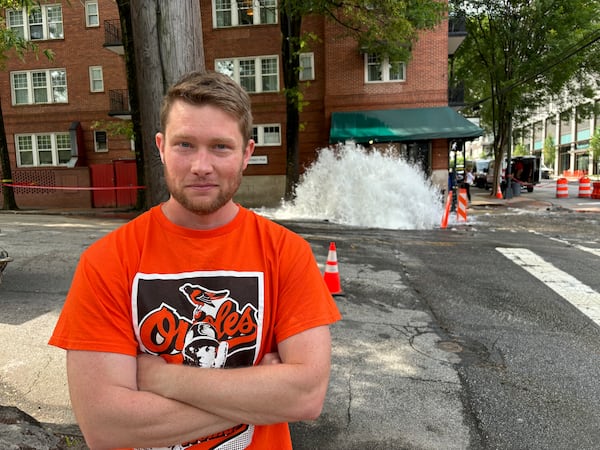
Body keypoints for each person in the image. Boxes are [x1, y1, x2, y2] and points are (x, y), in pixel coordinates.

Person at [49, 70, 342, 450]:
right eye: (185, 144)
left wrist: (163, 380)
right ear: (161, 147)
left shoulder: (286, 253)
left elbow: (305, 396)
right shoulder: (107, 262)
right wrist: (262, 399)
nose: (201, 165)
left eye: (220, 146)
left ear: (247, 153)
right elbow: (105, 426)